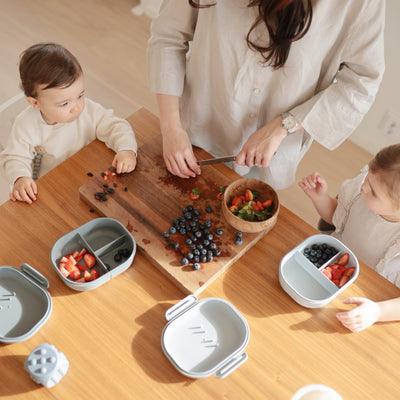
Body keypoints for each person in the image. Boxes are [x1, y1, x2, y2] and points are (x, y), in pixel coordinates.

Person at [147, 0, 385, 189]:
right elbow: (168, 37)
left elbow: (361, 82)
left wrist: (286, 124)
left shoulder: (360, 4)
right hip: (195, 128)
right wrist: (170, 127)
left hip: (270, 153)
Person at [0, 43, 137, 204]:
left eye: (80, 95)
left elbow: (116, 126)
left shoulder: (88, 111)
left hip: (91, 174)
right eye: (64, 104)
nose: (76, 108)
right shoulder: (26, 125)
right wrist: (21, 178)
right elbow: (15, 158)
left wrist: (126, 149)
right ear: (35, 103)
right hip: (55, 187)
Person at [298, 144, 400, 332]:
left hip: (364, 305)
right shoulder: (361, 192)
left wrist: (377, 312)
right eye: (368, 177)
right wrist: (321, 198)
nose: (363, 187)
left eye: (374, 192)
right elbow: (337, 218)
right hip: (329, 275)